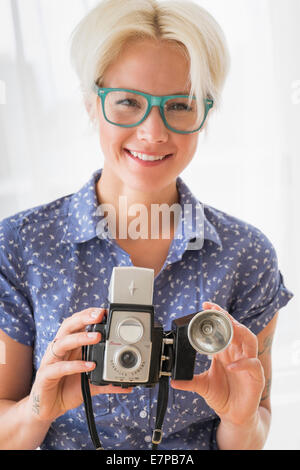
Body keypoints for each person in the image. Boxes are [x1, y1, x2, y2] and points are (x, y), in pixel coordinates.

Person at [0, 0, 293, 451]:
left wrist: (240, 417)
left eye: (179, 105)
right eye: (128, 102)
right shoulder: (20, 245)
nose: (153, 132)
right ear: (90, 104)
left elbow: (253, 428)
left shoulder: (246, 253)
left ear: (205, 113)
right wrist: (39, 407)